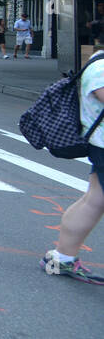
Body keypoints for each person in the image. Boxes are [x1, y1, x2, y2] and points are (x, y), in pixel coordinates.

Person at [40, 19, 104, 283]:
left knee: (94, 201)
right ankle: (61, 257)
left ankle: (62, 258)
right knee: (93, 201)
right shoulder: (100, 67)